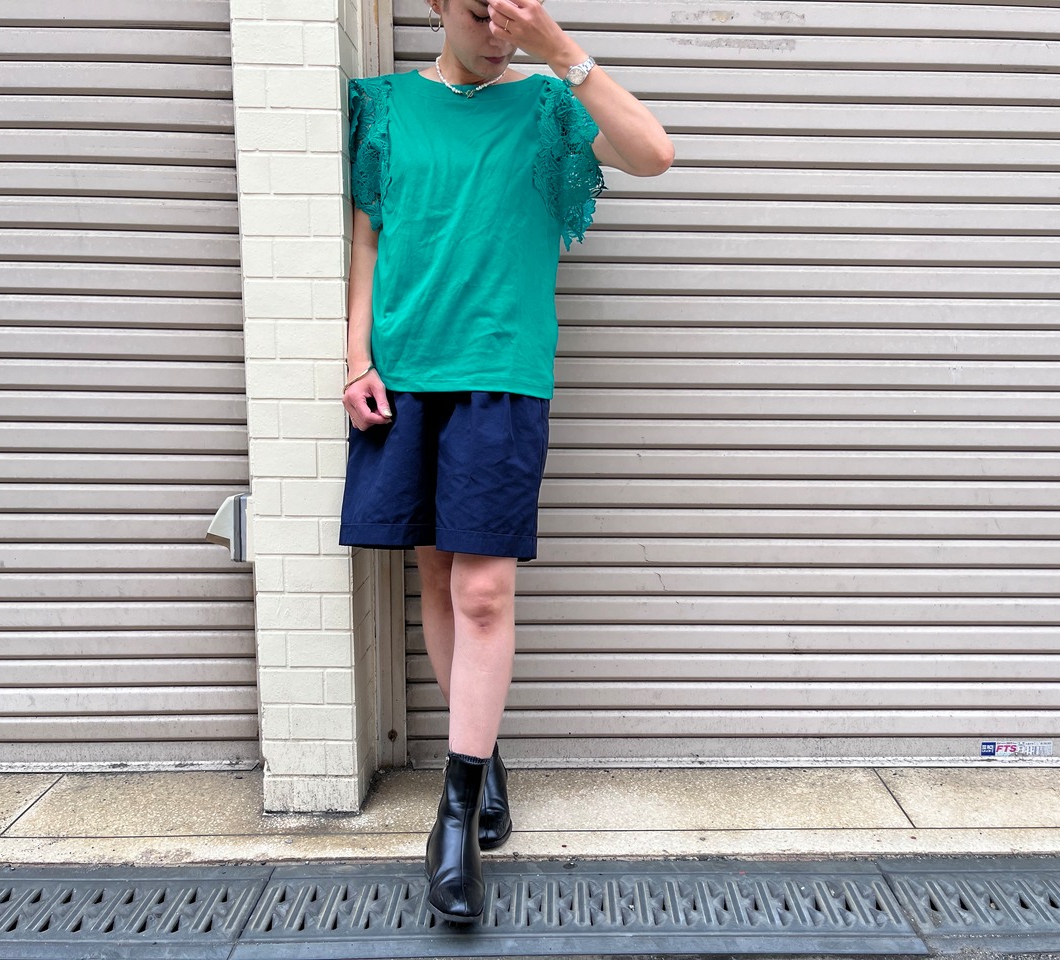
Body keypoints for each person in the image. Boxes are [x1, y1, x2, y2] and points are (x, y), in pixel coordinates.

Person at [338, 0, 673, 926]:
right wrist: (357, 356)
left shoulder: (548, 105)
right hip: (407, 371)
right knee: (437, 577)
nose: (498, 30)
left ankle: (452, 816)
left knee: (483, 591)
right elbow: (370, 235)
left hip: (501, 372)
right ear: (438, 6)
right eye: (480, 10)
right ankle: (481, 759)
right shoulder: (384, 106)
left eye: (514, 12)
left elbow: (653, 154)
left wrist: (560, 51)